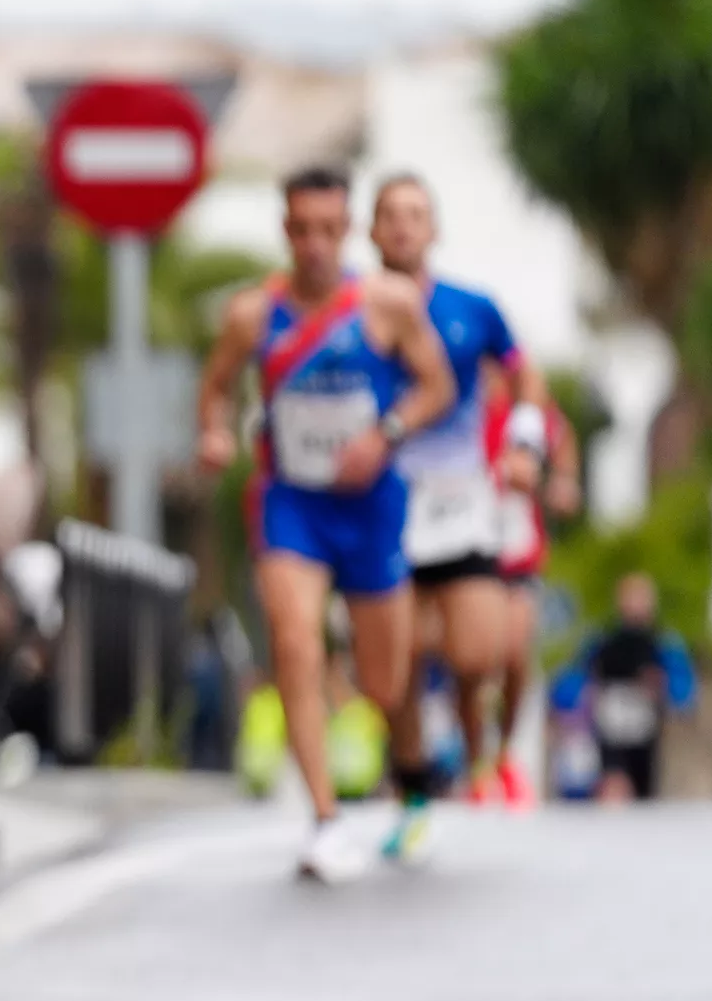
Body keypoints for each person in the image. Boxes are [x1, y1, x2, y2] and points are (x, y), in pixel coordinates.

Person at [196, 166, 455, 883]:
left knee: (383, 680)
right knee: (294, 642)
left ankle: (410, 783)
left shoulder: (388, 305)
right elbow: (214, 388)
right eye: (301, 229)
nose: (314, 244)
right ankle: (324, 820)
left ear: (349, 231)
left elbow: (438, 387)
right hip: (292, 502)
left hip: (370, 506)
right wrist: (214, 435)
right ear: (285, 230)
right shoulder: (253, 314)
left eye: (328, 230)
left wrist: (389, 430)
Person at [363, 175, 570, 810]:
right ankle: (414, 769)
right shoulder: (351, 305)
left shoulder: (472, 308)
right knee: (392, 664)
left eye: (416, 214)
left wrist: (525, 447)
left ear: (435, 230)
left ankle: (463, 733)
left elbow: (525, 378)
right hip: (384, 500)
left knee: (482, 654)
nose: (403, 226)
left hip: (459, 504)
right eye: (390, 215)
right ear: (371, 230)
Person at [480, 374, 583, 808]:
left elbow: (563, 440)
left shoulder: (528, 411)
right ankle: (474, 759)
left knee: (514, 653)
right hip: (465, 547)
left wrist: (562, 479)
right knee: (471, 657)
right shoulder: (454, 399)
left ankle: (502, 756)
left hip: (517, 553)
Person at [567, 572, 691, 801]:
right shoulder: (602, 641)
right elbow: (572, 682)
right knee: (614, 788)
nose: (636, 605)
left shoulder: (664, 643)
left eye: (641, 598)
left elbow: (683, 690)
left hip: (646, 734)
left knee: (644, 796)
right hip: (609, 733)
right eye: (631, 598)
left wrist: (662, 686)